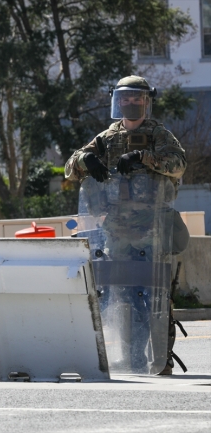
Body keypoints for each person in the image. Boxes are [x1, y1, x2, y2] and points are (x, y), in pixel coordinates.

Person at [65, 75, 188, 375]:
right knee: (121, 296)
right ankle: (129, 359)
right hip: (116, 232)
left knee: (154, 297)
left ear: (146, 102)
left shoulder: (159, 134)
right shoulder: (107, 137)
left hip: (151, 231)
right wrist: (86, 161)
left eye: (138, 98)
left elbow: (179, 164)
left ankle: (160, 359)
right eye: (126, 98)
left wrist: (144, 157)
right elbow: (70, 168)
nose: (131, 103)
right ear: (117, 101)